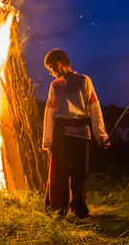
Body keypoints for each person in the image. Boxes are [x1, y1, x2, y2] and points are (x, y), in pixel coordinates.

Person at [42, 49, 108, 219]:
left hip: (81, 135)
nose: (50, 73)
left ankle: (79, 210)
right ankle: (58, 210)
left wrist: (101, 135)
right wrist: (48, 141)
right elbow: (49, 113)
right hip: (61, 135)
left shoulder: (83, 81)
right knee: (60, 175)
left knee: (79, 174)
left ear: (58, 64)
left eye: (51, 68)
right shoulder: (55, 85)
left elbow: (94, 108)